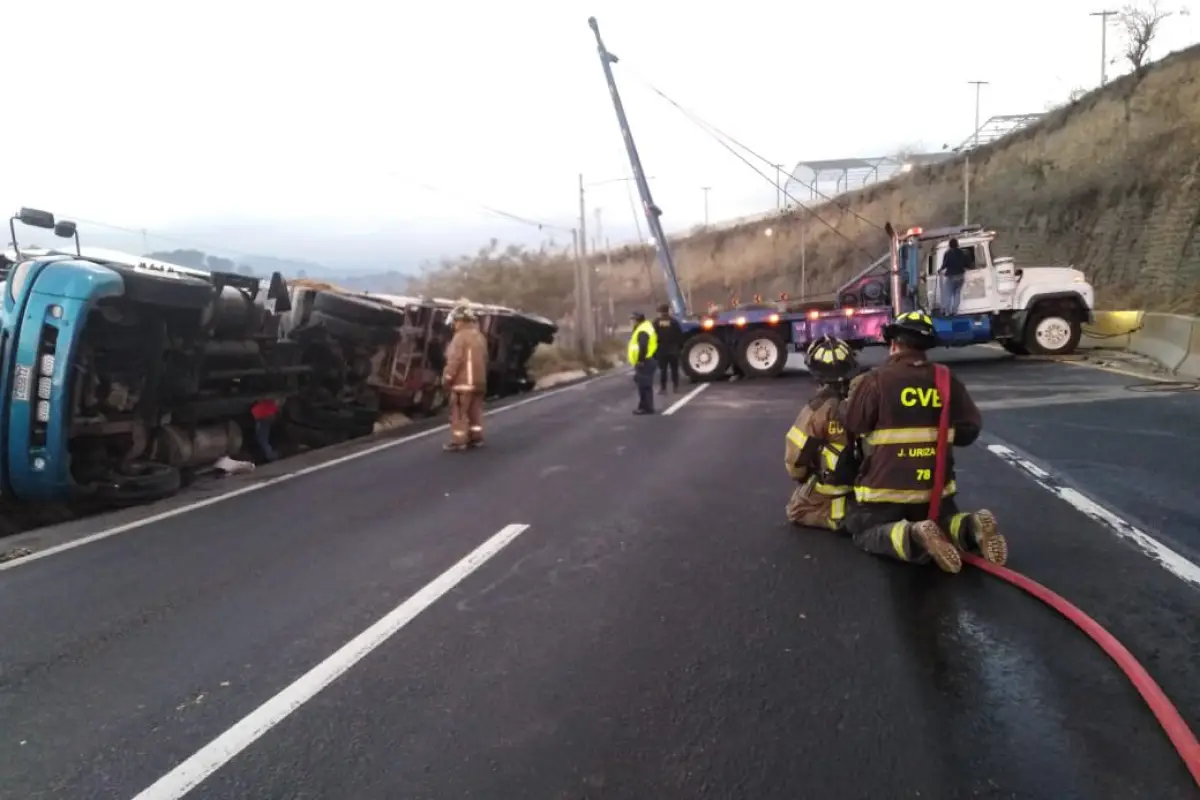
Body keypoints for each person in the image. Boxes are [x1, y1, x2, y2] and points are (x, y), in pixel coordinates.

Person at [838, 310, 1008, 573]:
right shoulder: (946, 379)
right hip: (935, 489)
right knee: (944, 522)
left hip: (886, 492)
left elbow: (854, 424)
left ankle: (914, 537)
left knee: (863, 528)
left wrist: (843, 406)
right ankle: (971, 527)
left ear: (894, 344)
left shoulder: (876, 381)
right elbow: (970, 430)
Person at [784, 336, 858, 531]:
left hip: (838, 484)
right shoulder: (867, 396)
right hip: (875, 480)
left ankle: (841, 517)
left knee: (796, 510)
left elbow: (795, 458)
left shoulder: (817, 409)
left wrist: (803, 478)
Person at [442, 305, 489, 451]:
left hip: (463, 384)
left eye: (455, 321)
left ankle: (458, 441)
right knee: (475, 412)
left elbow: (455, 360)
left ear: (459, 321)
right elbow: (485, 358)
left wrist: (447, 378)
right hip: (479, 382)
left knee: (459, 414)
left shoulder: (459, 338)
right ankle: (476, 438)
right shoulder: (479, 337)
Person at [627, 310, 659, 415]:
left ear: (637, 320)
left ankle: (646, 408)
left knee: (643, 385)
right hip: (648, 360)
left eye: (632, 319)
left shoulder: (642, 330)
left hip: (645, 361)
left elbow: (643, 346)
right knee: (645, 384)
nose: (630, 322)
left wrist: (640, 360)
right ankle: (645, 406)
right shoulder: (645, 327)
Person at [653, 302, 684, 394]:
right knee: (674, 370)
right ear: (668, 311)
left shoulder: (656, 322)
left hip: (661, 350)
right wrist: (679, 348)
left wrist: (655, 350)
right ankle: (676, 387)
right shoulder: (674, 322)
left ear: (660, 311)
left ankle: (663, 388)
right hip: (674, 350)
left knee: (663, 370)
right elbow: (680, 336)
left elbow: (652, 336)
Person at [938, 238, 969, 315]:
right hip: (961, 276)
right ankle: (954, 311)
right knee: (957, 294)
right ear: (957, 244)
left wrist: (940, 270)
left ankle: (947, 312)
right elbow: (966, 264)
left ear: (950, 245)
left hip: (951, 276)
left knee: (948, 294)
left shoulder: (948, 253)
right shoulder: (962, 252)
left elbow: (945, 264)